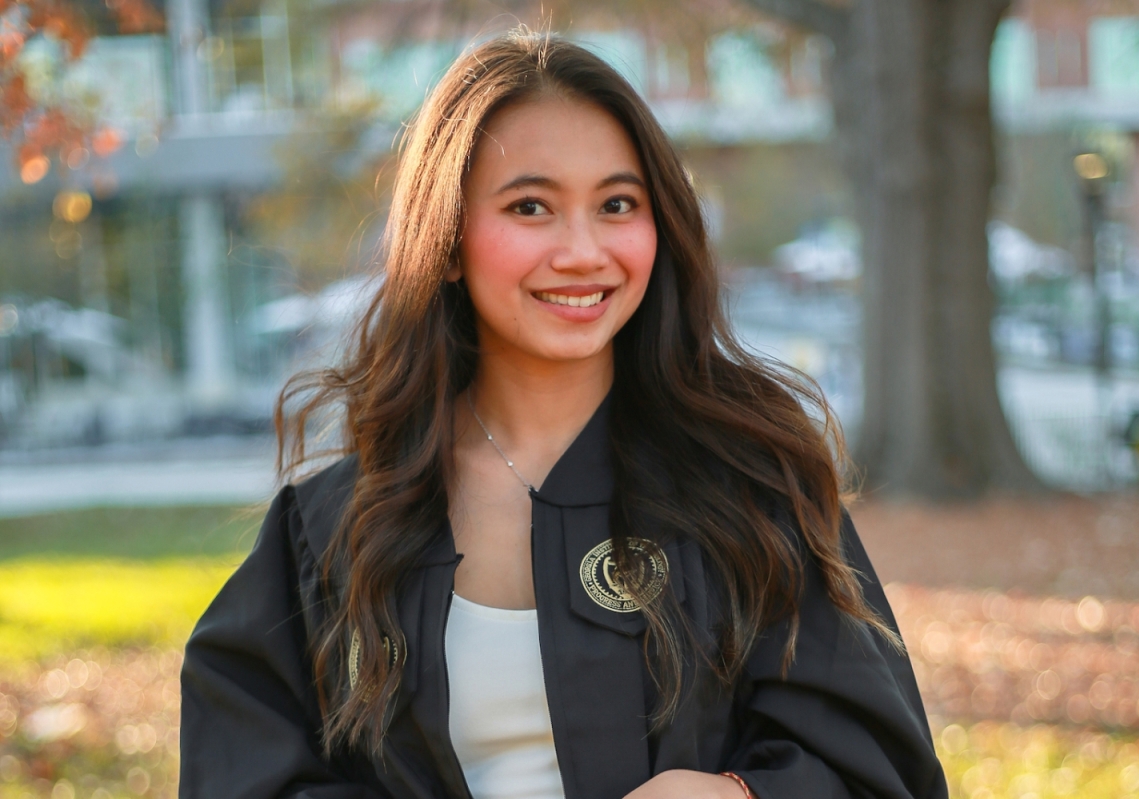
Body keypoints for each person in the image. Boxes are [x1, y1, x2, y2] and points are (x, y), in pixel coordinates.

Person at [180, 30, 947, 799]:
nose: (582, 251)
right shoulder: (335, 530)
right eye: (530, 206)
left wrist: (738, 796)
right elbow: (246, 769)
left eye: (617, 204)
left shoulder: (748, 487)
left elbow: (876, 766)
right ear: (446, 241)